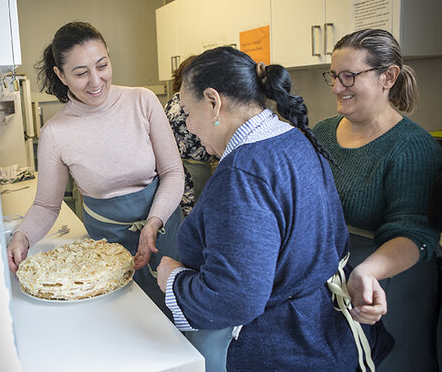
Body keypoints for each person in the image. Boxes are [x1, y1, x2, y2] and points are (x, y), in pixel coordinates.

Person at [156, 46, 393, 372]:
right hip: (323, 334)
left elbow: (234, 298)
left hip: (279, 349)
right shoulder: (295, 138)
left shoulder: (242, 171)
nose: (189, 126)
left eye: (187, 111)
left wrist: (173, 279)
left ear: (213, 102)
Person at [6, 21, 185, 315]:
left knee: (177, 320)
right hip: (108, 248)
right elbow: (46, 206)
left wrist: (153, 222)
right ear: (60, 75)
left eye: (101, 65)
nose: (95, 81)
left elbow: (173, 173)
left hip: (165, 229)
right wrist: (22, 236)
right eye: (80, 73)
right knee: (130, 321)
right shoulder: (56, 132)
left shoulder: (143, 101)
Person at [313, 28, 442, 372]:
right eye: (334, 76)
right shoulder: (322, 133)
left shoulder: (412, 147)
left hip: (385, 290)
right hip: (328, 283)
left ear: (388, 77)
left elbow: (415, 234)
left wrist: (368, 272)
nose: (337, 88)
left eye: (349, 76)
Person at [165, 55, 217, 216]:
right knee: (194, 218)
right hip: (194, 172)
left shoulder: (172, 102)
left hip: (175, 170)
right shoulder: (192, 104)